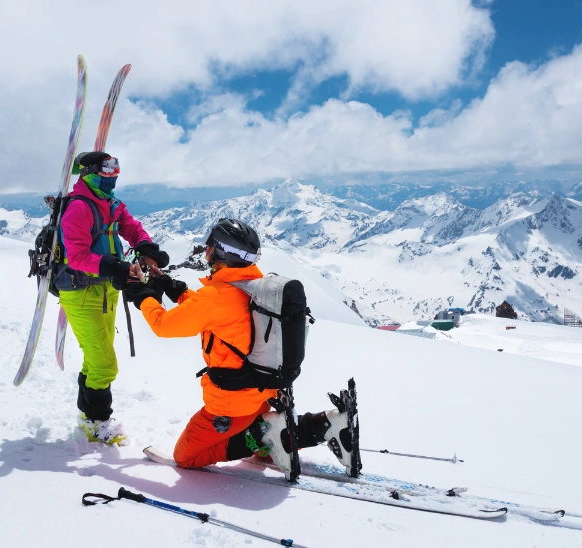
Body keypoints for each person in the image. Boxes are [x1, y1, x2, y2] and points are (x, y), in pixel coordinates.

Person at [123, 218, 357, 474]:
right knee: (262, 428)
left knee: (186, 456)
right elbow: (214, 313)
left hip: (232, 404)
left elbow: (164, 325)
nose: (207, 255)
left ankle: (262, 435)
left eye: (210, 249)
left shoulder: (214, 297)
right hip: (263, 396)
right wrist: (173, 288)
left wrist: (143, 295)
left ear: (221, 254)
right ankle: (327, 424)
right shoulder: (255, 287)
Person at [57, 151, 169, 446]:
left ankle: (86, 417)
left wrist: (146, 247)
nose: (112, 183)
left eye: (114, 177)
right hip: (80, 292)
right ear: (90, 176)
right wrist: (116, 266)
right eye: (106, 177)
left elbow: (131, 226)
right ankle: (97, 424)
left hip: (106, 290)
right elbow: (78, 256)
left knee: (96, 359)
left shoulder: (110, 204)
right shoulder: (79, 209)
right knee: (105, 363)